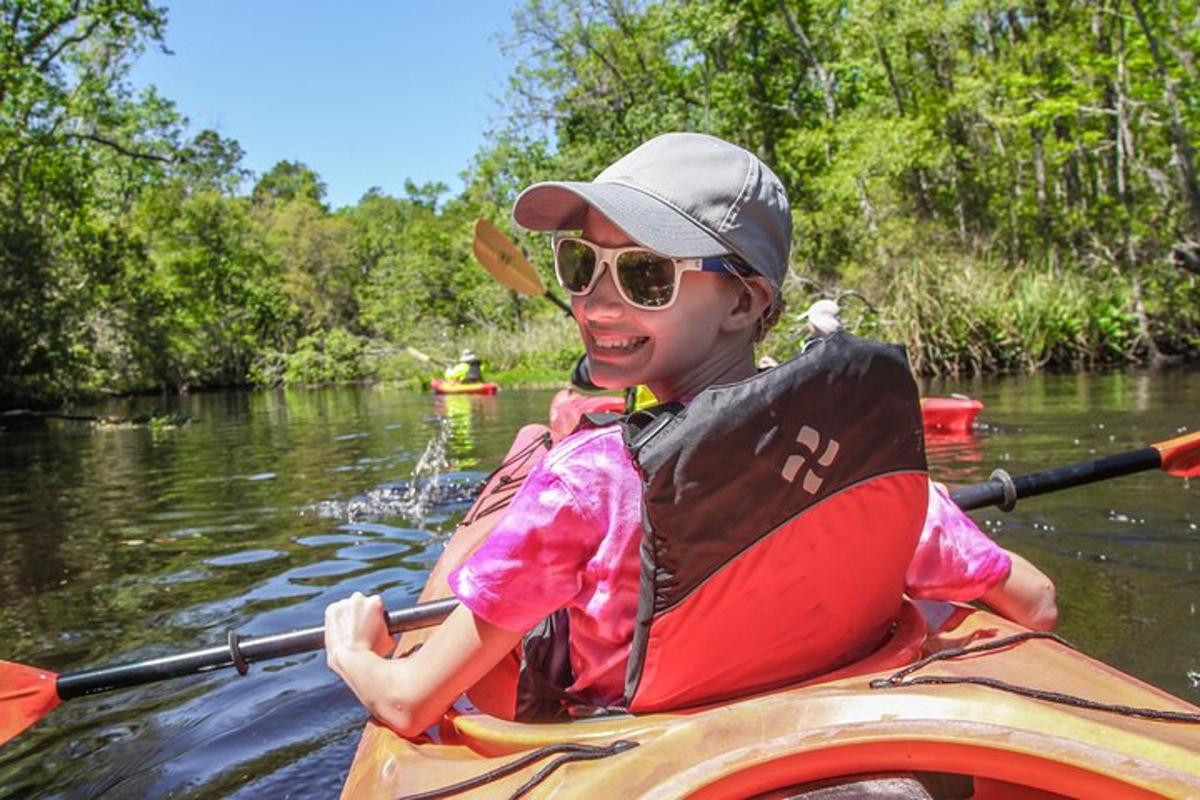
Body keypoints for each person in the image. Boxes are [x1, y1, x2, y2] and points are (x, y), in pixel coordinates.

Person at [322, 134, 1031, 737]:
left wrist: (355, 650)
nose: (595, 301)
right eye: (579, 264)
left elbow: (409, 702)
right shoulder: (857, 460)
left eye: (644, 273)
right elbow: (1035, 603)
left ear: (745, 301)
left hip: (624, 746)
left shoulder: (582, 479)